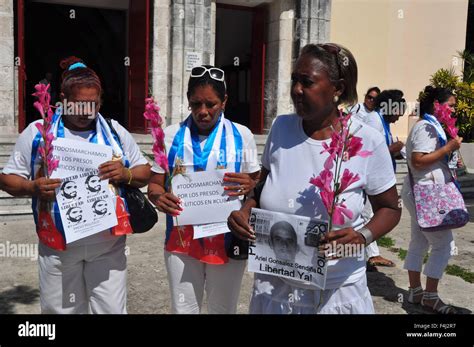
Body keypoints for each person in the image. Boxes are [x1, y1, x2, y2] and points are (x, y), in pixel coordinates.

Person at [228, 43, 401, 314]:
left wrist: (362, 236)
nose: (297, 89)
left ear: (338, 88)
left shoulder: (367, 140)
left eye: (307, 82)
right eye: (295, 80)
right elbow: (263, 185)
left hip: (336, 291)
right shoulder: (281, 127)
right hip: (276, 287)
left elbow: (390, 208)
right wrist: (245, 209)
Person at [0, 56, 151, 314]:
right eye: (79, 105)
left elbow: (145, 171)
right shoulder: (38, 132)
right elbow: (7, 179)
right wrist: (31, 188)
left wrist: (125, 173)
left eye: (93, 105)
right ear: (62, 99)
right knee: (61, 312)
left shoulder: (114, 132)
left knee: (111, 310)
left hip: (108, 247)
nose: (86, 113)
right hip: (59, 247)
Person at [147, 65, 260, 314]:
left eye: (211, 104)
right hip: (181, 240)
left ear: (225, 101)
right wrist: (158, 197)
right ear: (188, 101)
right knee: (184, 309)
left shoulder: (242, 135)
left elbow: (256, 185)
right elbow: (155, 184)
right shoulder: (170, 136)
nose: (203, 112)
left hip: (228, 237)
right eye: (196, 104)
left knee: (223, 309)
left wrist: (251, 184)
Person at [402, 86, 463, 314]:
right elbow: (418, 161)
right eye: (451, 105)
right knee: (444, 245)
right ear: (437, 104)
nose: (454, 110)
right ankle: (430, 296)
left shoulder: (429, 126)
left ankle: (416, 291)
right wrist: (449, 147)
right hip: (426, 194)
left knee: (419, 240)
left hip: (422, 193)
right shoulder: (426, 127)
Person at [351, 86, 396, 269]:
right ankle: (370, 254)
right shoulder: (372, 119)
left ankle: (369, 253)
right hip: (366, 172)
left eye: (374, 99)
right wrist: (394, 148)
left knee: (367, 214)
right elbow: (371, 150)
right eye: (369, 97)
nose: (371, 101)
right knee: (367, 214)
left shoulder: (380, 120)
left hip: (376, 174)